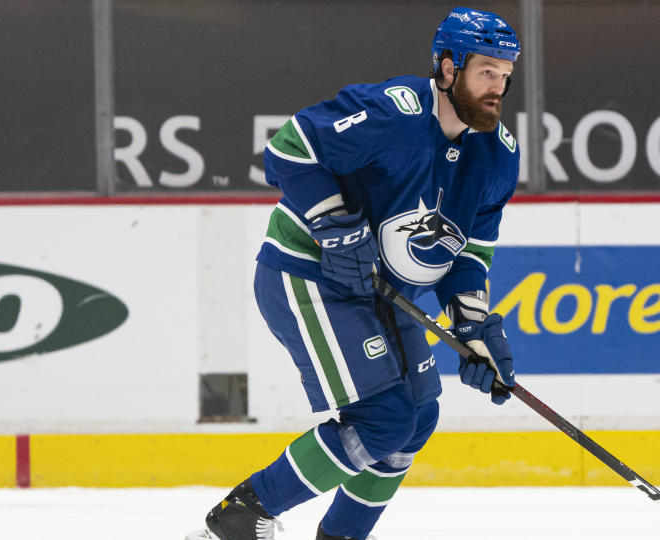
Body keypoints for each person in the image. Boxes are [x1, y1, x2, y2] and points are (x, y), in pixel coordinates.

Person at [185, 7, 521, 540]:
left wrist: (474, 329)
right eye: (486, 71)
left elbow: (468, 255)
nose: (498, 86)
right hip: (310, 276)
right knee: (384, 420)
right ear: (448, 67)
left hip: (385, 294)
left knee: (417, 416)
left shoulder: (498, 155)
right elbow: (288, 146)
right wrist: (334, 222)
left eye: (505, 74)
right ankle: (238, 521)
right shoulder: (395, 113)